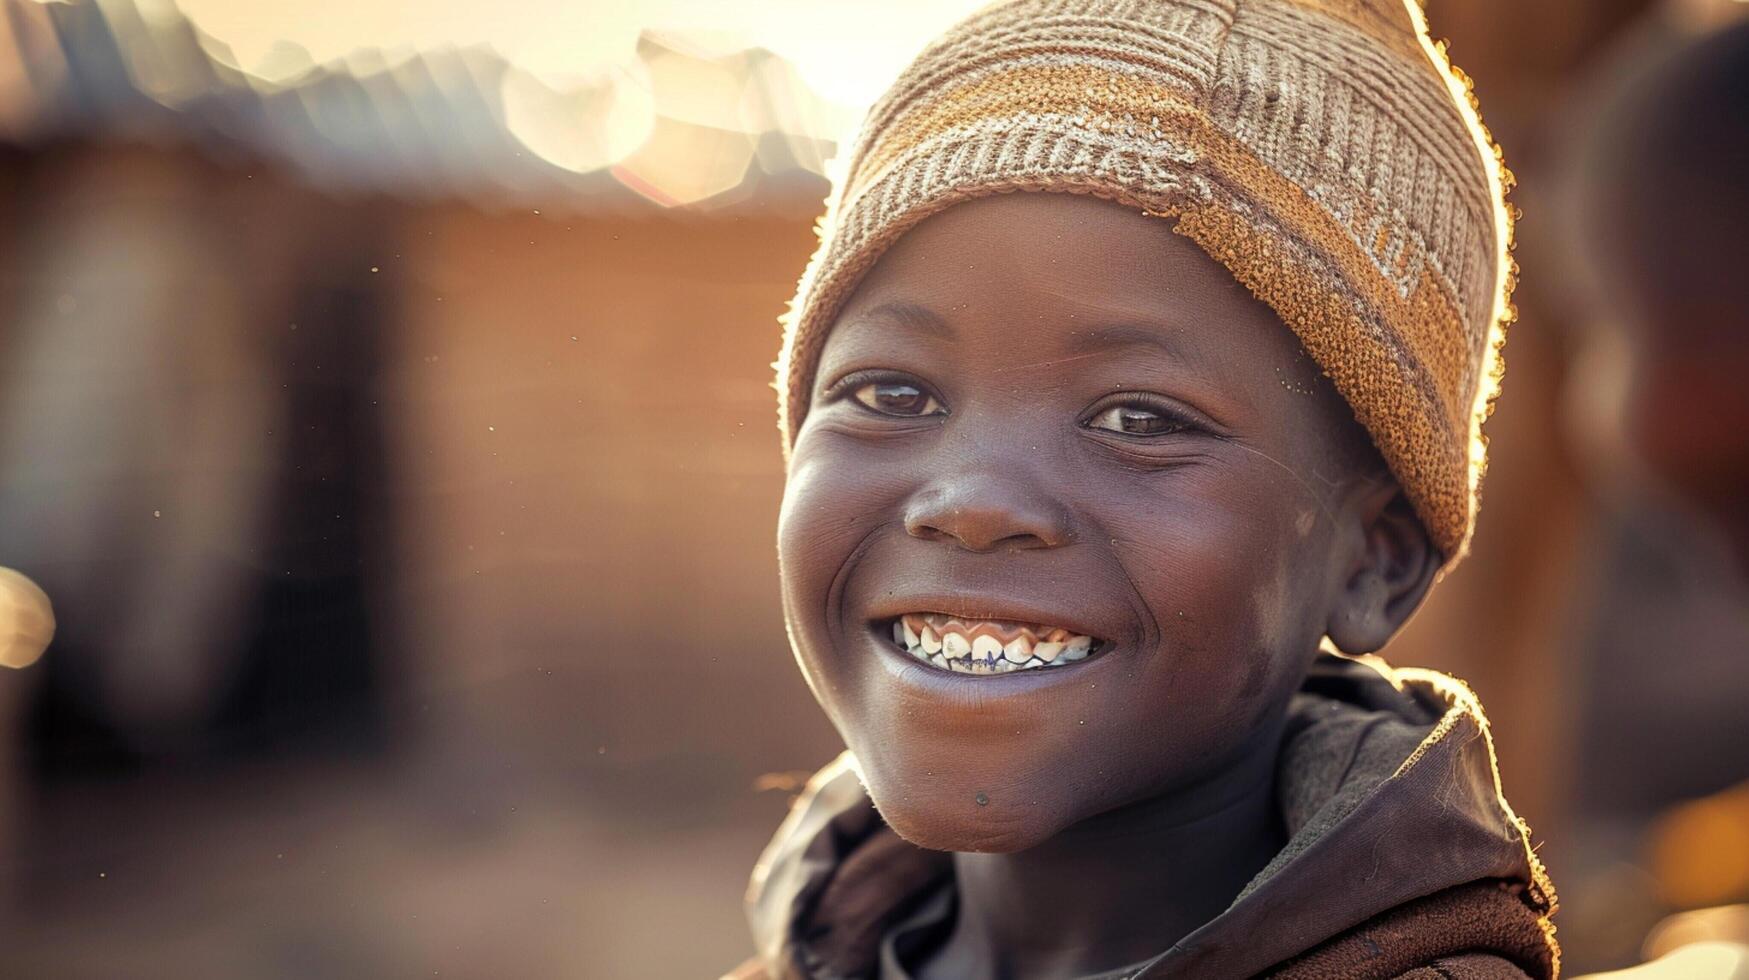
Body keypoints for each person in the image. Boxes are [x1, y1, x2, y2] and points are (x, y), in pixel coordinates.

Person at [732, 1, 1557, 977]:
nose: (972, 500)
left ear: (1374, 556)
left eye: (1140, 419)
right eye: (891, 392)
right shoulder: (820, 937)